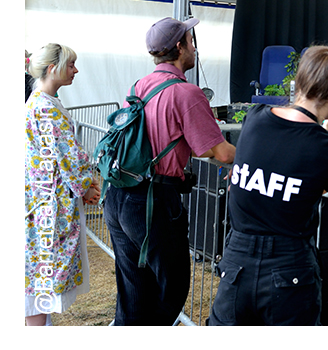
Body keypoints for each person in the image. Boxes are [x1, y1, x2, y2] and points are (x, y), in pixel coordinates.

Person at [209, 36, 328, 326]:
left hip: (236, 261)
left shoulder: (254, 119)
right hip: (289, 267)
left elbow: (288, 146)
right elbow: (310, 168)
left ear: (298, 81)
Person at [103, 17, 236, 325]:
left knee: (133, 292)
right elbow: (218, 152)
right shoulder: (187, 93)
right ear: (180, 47)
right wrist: (258, 156)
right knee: (172, 289)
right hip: (154, 202)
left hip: (119, 195)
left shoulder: (139, 86)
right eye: (192, 42)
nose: (194, 48)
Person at [25, 43, 101, 326]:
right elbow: (68, 157)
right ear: (52, 69)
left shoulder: (39, 102)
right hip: (50, 202)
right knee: (43, 274)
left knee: (38, 272)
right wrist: (87, 186)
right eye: (71, 65)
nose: (76, 70)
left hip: (41, 197)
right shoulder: (47, 109)